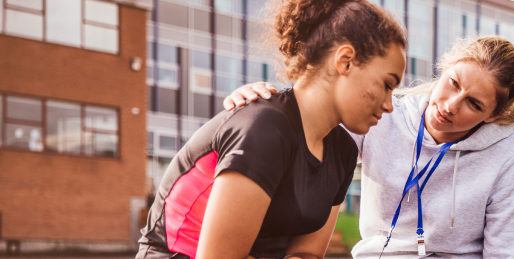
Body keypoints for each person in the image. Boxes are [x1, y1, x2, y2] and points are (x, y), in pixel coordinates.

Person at [136, 0, 407, 258]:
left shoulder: (343, 152)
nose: (388, 105)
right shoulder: (264, 128)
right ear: (345, 60)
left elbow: (307, 253)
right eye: (386, 84)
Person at [225, 36, 514, 258]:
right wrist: (267, 104)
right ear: (444, 69)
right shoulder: (385, 117)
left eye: (473, 103)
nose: (451, 105)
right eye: (453, 83)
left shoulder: (507, 157)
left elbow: (505, 253)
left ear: (493, 115)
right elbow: (314, 119)